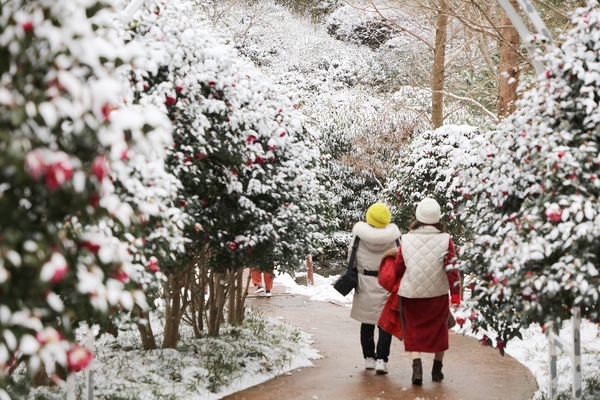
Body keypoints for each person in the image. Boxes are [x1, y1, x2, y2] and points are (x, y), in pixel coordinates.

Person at [393, 197, 461, 385]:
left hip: (412, 293)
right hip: (437, 294)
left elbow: (398, 268)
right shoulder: (446, 240)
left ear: (418, 217)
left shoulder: (406, 239)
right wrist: (456, 296)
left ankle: (417, 368)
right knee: (440, 330)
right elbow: (452, 270)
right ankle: (437, 370)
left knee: (413, 330)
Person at [349, 203, 400, 375]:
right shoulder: (394, 238)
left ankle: (369, 358)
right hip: (387, 283)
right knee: (385, 323)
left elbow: (351, 259)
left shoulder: (358, 236)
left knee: (367, 322)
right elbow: (400, 260)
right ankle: (381, 361)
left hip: (364, 282)